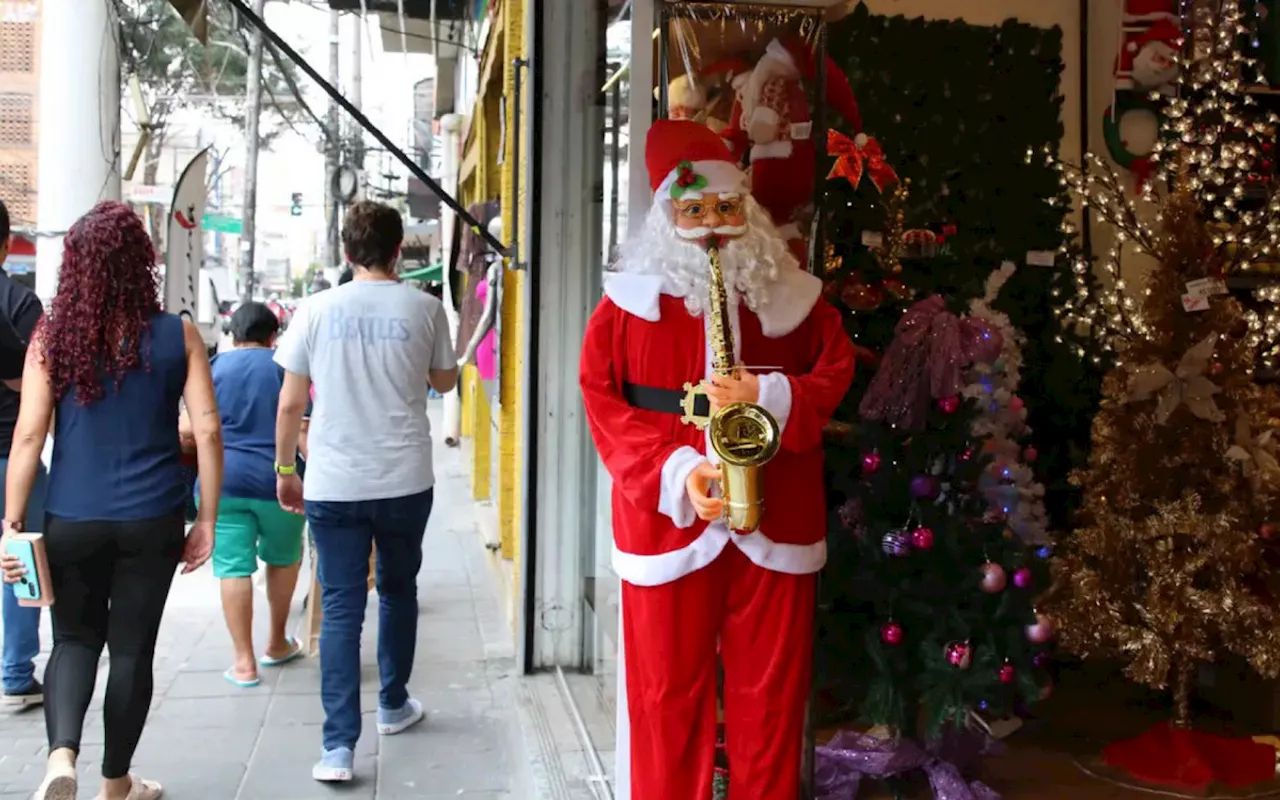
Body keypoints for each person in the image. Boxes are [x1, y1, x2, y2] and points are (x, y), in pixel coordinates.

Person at [578, 119, 855, 799]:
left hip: (776, 514)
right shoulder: (622, 308)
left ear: (748, 211)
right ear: (667, 216)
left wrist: (769, 393)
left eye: (726, 209)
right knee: (665, 696)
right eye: (694, 210)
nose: (711, 227)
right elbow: (603, 403)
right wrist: (676, 472)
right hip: (668, 522)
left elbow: (836, 368)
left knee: (773, 698)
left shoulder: (796, 296)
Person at [0, 201, 222, 800]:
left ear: (73, 266)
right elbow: (206, 430)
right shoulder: (177, 334)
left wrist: (12, 523)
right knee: (130, 651)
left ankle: (60, 760)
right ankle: (115, 783)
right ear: (140, 264)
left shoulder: (51, 338)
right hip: (152, 519)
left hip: (71, 515)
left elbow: (28, 435)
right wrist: (205, 517)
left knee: (72, 640)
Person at [273, 200, 458, 783]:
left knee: (342, 607)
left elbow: (290, 401)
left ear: (347, 252)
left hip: (333, 480)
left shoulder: (315, 310)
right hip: (405, 478)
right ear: (398, 248)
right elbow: (444, 380)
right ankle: (394, 704)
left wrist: (284, 469)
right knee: (400, 590)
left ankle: (337, 748)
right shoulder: (425, 307)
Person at [190, 302, 305, 688]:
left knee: (232, 566)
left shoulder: (213, 367)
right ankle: (276, 642)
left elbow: (189, 428)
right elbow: (302, 427)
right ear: (274, 334)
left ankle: (243, 662)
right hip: (280, 482)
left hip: (223, 482)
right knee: (284, 558)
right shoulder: (285, 366)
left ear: (232, 333)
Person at [0, 198, 47, 709]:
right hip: (10, 454)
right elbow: (36, 386)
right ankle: (15, 672)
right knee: (21, 555)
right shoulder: (19, 304)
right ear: (8, 241)